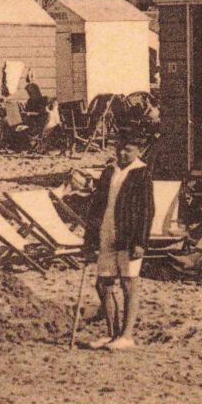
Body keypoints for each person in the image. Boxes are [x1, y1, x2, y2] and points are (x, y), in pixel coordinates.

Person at [82, 140, 155, 351]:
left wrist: (141, 242)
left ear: (139, 151)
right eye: (119, 149)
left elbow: (147, 211)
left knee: (128, 284)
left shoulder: (141, 174)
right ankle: (112, 334)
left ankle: (127, 335)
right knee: (103, 283)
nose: (122, 153)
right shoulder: (109, 172)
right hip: (106, 232)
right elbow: (96, 206)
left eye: (128, 149)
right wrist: (90, 239)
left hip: (129, 236)